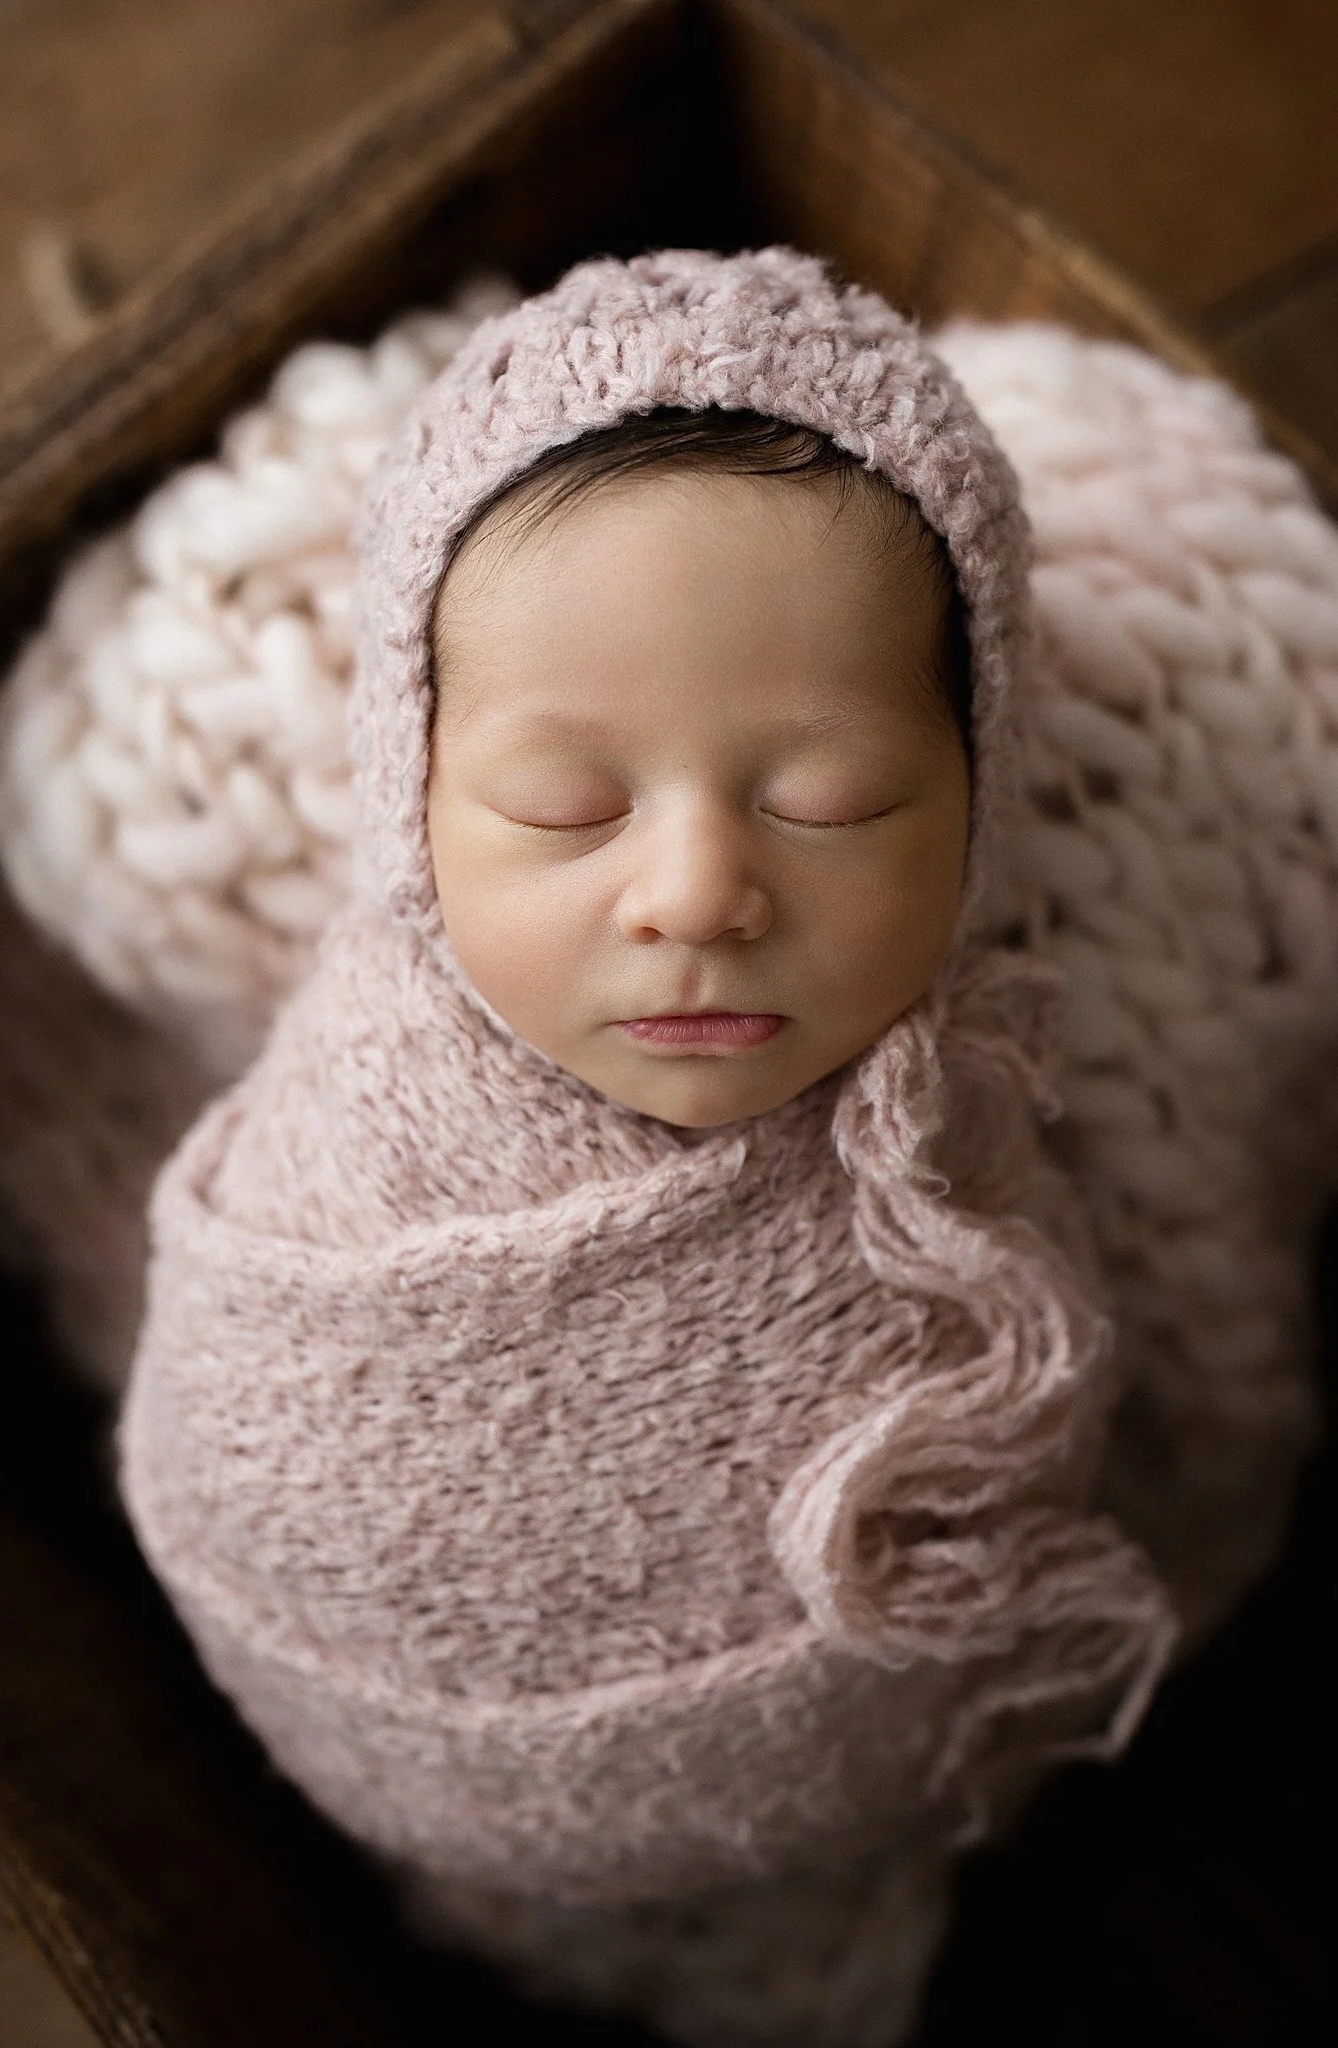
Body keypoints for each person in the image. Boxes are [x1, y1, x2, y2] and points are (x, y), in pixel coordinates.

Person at [118, 248, 1186, 2047]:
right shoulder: (349, 1135)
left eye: (829, 800)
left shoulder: (958, 1170)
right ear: (415, 793)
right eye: (562, 805)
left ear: (982, 792)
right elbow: (242, 1445)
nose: (697, 894)